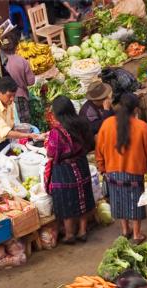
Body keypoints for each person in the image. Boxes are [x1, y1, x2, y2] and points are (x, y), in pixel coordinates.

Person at [96, 93, 147, 243]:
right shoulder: (142, 127)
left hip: (112, 172)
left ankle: (125, 230)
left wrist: (102, 167)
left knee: (118, 201)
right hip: (134, 172)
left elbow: (99, 149)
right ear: (136, 109)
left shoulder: (107, 124)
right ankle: (136, 234)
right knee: (135, 202)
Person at [45, 96, 96, 245]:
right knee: (83, 197)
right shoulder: (82, 124)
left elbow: (51, 153)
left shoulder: (56, 132)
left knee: (67, 201)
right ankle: (82, 231)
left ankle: (69, 234)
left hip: (64, 169)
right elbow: (90, 143)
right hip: (81, 164)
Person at [0, 76, 43, 165]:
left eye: (14, 95)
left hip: (2, 142)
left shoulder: (9, 103)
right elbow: (7, 133)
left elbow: (11, 124)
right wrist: (29, 135)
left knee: (6, 166)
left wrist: (22, 131)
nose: (12, 99)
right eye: (9, 96)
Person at [0, 35, 36, 124]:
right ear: (16, 46)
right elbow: (31, 81)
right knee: (24, 124)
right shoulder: (22, 61)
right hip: (19, 97)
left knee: (7, 122)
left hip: (1, 98)